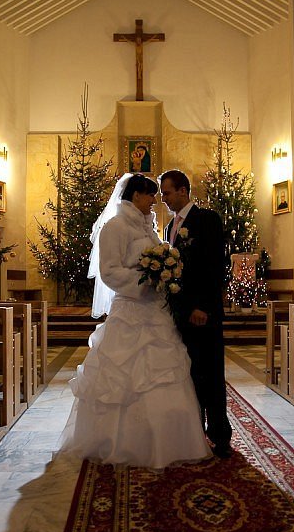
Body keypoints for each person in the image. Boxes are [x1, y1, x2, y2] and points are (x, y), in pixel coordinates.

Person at [58, 173, 212, 469]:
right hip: (130, 309)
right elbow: (109, 271)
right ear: (136, 195)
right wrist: (144, 281)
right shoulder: (115, 226)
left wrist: (163, 274)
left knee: (164, 372)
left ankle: (171, 441)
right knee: (123, 376)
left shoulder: (148, 227)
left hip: (155, 311)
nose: (155, 200)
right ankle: (124, 443)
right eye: (150, 194)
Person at [160, 169, 232, 458]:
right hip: (180, 313)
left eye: (167, 192)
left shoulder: (206, 219)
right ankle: (195, 433)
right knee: (190, 375)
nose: (163, 199)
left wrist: (202, 306)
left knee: (210, 375)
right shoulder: (170, 227)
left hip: (203, 312)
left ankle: (220, 436)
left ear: (183, 190)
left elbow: (215, 266)